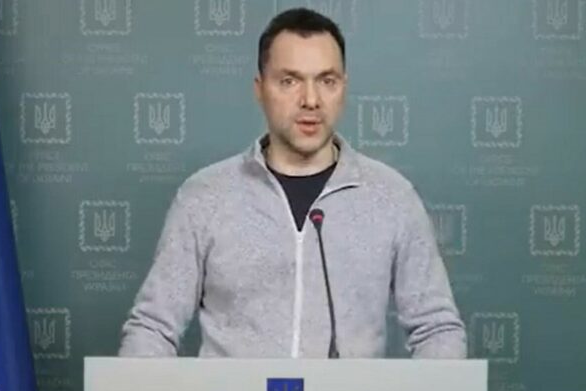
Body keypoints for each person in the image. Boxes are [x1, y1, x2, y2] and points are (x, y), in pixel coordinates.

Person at [118, 8, 466, 358]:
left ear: (344, 87)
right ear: (260, 89)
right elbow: (153, 328)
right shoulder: (205, 196)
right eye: (290, 81)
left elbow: (436, 329)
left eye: (327, 81)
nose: (311, 100)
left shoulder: (392, 197)